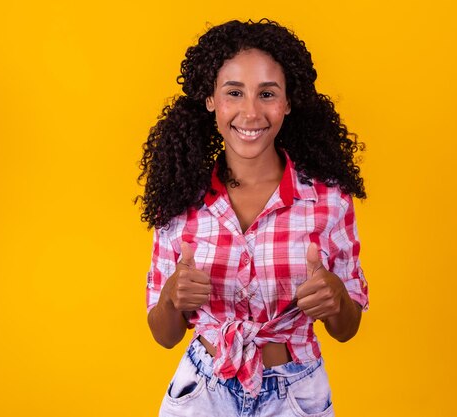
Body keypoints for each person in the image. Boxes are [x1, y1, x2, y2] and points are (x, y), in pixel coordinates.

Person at [137, 18, 369, 417]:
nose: (250, 111)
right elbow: (163, 335)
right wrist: (173, 295)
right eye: (234, 93)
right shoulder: (178, 201)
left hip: (296, 393)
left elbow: (346, 330)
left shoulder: (328, 201)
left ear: (288, 102)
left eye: (267, 93)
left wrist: (335, 298)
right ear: (210, 99)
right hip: (200, 393)